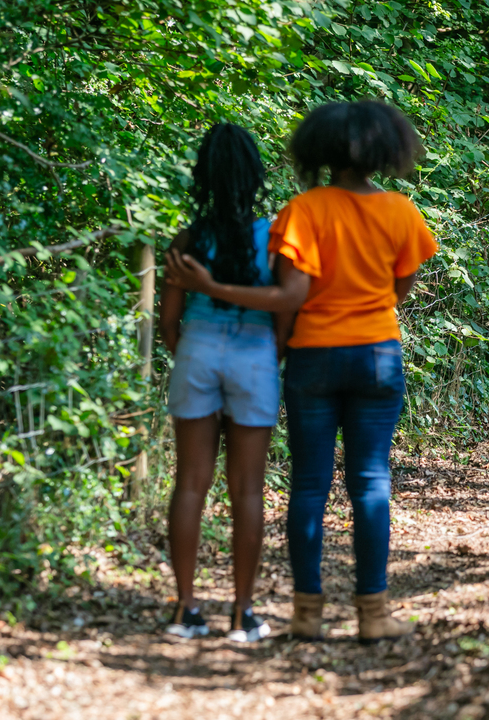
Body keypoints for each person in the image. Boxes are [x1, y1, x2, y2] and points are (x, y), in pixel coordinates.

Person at [166, 100, 436, 644]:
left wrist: (283, 348)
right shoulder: (402, 212)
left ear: (318, 151)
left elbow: (291, 297)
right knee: (371, 480)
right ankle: (372, 612)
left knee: (308, 485)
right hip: (377, 354)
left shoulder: (303, 211)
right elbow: (398, 289)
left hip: (312, 355)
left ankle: (306, 613)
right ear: (386, 150)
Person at [157, 123, 310, 643]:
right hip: (255, 359)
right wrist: (271, 355)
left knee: (190, 484)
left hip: (197, 351)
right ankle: (243, 614)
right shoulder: (272, 238)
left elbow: (168, 323)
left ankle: (185, 611)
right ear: (255, 176)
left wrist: (193, 352)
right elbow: (285, 320)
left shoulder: (187, 239)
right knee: (247, 489)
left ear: (203, 176)